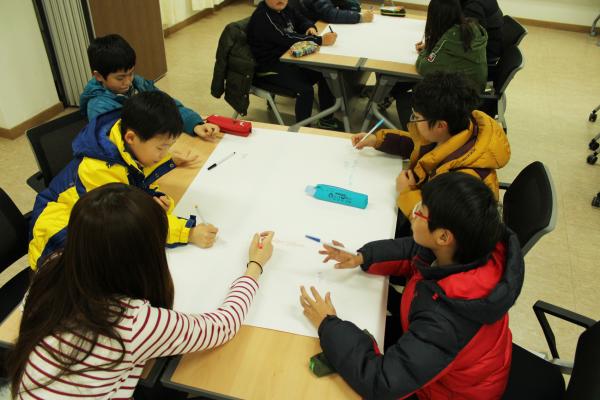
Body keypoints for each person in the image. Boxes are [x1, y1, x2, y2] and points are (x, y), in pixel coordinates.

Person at [10, 183, 274, 398]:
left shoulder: (53, 266)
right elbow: (221, 326)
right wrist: (255, 266)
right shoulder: (133, 322)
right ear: (142, 256)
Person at [300, 172, 524, 400]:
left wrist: (328, 325)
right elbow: (414, 252)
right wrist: (362, 256)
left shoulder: (445, 322)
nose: (413, 215)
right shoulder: (467, 249)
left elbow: (383, 383)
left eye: (420, 211)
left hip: (447, 393)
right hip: (437, 363)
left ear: (443, 237)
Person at [28, 91, 218, 269]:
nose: (164, 153)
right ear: (131, 137)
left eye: (168, 147)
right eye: (161, 148)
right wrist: (188, 232)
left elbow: (134, 176)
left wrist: (153, 192)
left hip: (87, 222)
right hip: (58, 244)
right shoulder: (99, 170)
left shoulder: (123, 138)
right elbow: (131, 225)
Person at [354, 71, 509, 237]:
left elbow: (434, 231)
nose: (413, 121)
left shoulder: (462, 180)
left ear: (441, 125)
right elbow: (419, 146)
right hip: (425, 201)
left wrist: (406, 192)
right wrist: (377, 140)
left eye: (417, 117)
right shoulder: (457, 130)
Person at [80, 34, 220, 141]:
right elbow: (117, 143)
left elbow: (167, 106)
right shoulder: (98, 107)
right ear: (99, 76)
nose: (128, 82)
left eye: (131, 73)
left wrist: (195, 125)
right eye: (120, 78)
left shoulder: (139, 84)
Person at [247, 0, 342, 130]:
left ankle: (326, 119)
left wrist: (309, 27)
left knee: (325, 73)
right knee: (305, 90)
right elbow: (286, 38)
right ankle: (303, 129)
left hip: (287, 59)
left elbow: (301, 19)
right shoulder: (262, 17)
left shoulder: (286, 7)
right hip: (267, 67)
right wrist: (319, 40)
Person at [392, 0, 488, 127]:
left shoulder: (449, 38)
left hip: (458, 101)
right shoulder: (471, 28)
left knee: (404, 98)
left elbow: (423, 66)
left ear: (435, 18)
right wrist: (434, 46)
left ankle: (418, 137)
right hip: (473, 93)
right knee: (412, 85)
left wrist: (427, 50)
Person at [289, 0, 374, 24]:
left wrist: (353, 7)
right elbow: (330, 14)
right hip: (312, 29)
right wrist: (360, 17)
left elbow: (354, 6)